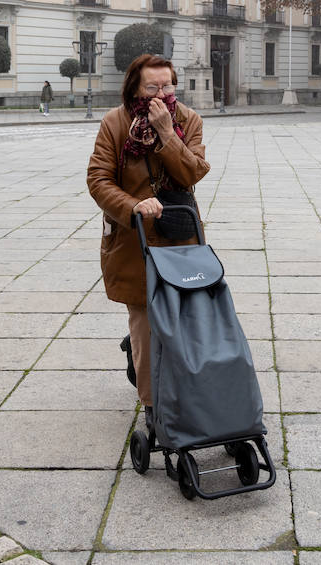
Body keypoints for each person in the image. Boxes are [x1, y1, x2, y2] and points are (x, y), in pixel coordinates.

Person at [86, 54, 210, 420]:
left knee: (187, 318)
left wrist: (168, 134)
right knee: (145, 324)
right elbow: (98, 179)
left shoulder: (189, 120)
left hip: (181, 236)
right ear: (135, 88)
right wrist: (133, 205)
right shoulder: (115, 122)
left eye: (168, 85)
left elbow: (192, 173)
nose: (161, 93)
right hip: (133, 240)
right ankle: (154, 406)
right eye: (152, 87)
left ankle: (190, 389)